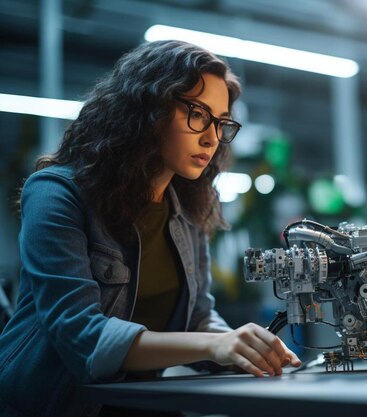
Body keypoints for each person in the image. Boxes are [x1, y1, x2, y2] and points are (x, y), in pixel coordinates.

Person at [0, 40, 301, 417]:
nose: (210, 136)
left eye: (221, 122)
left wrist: (242, 348)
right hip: (50, 404)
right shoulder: (56, 193)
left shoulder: (187, 210)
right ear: (148, 109)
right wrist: (215, 346)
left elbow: (197, 319)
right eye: (197, 113)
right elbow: (81, 334)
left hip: (141, 401)